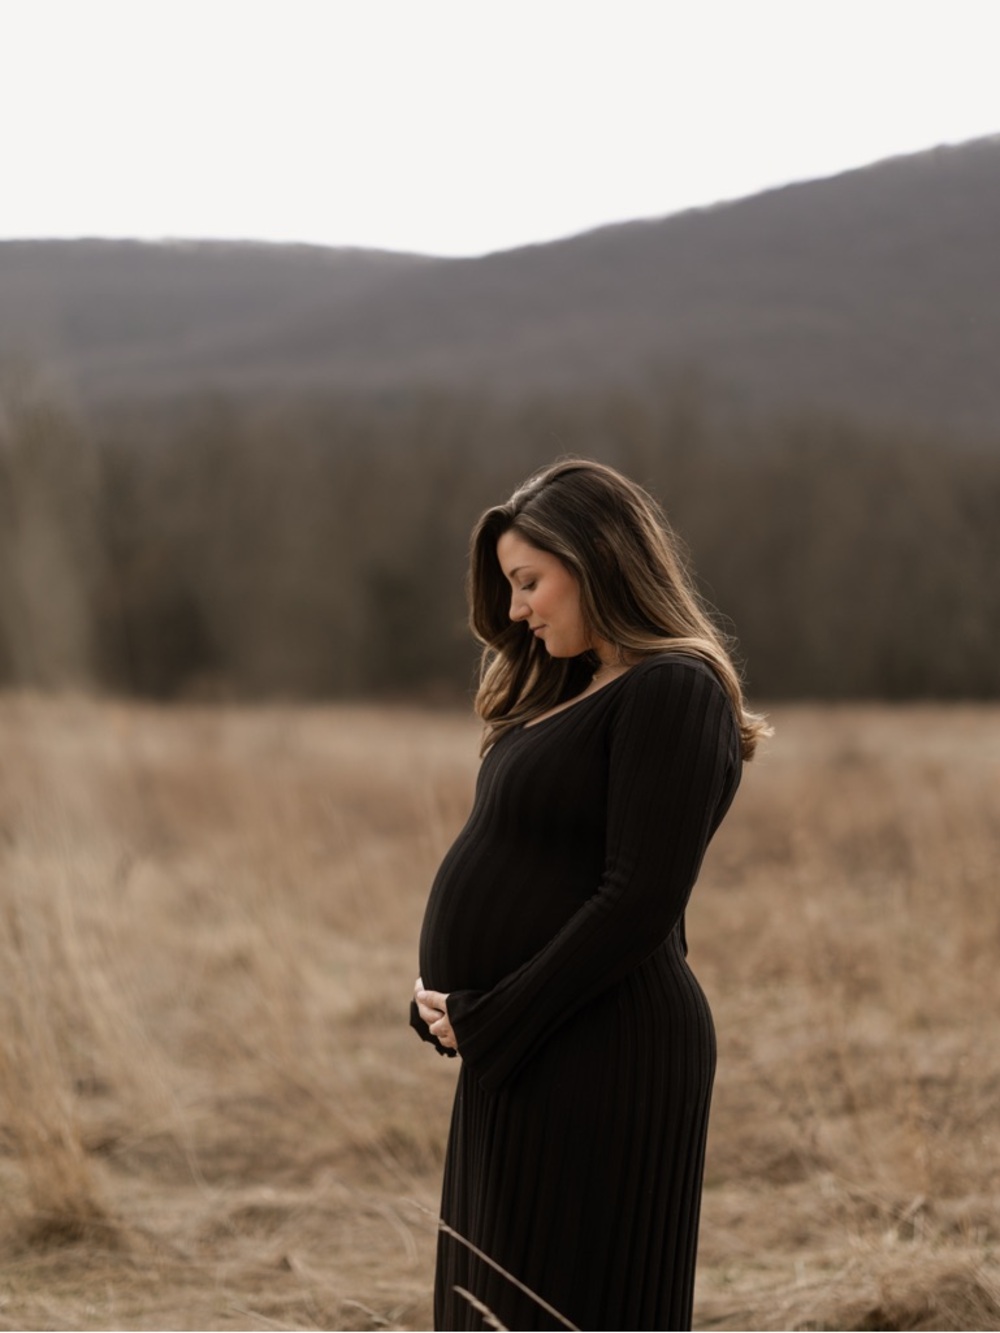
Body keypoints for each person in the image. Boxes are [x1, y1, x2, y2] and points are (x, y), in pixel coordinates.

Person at [411, 458, 769, 1332]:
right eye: (509, 587)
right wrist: (457, 1004)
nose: (517, 609)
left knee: (570, 1307)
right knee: (488, 1307)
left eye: (528, 581)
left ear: (597, 557)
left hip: (604, 1050)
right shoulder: (573, 689)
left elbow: (637, 900)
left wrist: (494, 1015)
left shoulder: (674, 689)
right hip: (527, 1046)